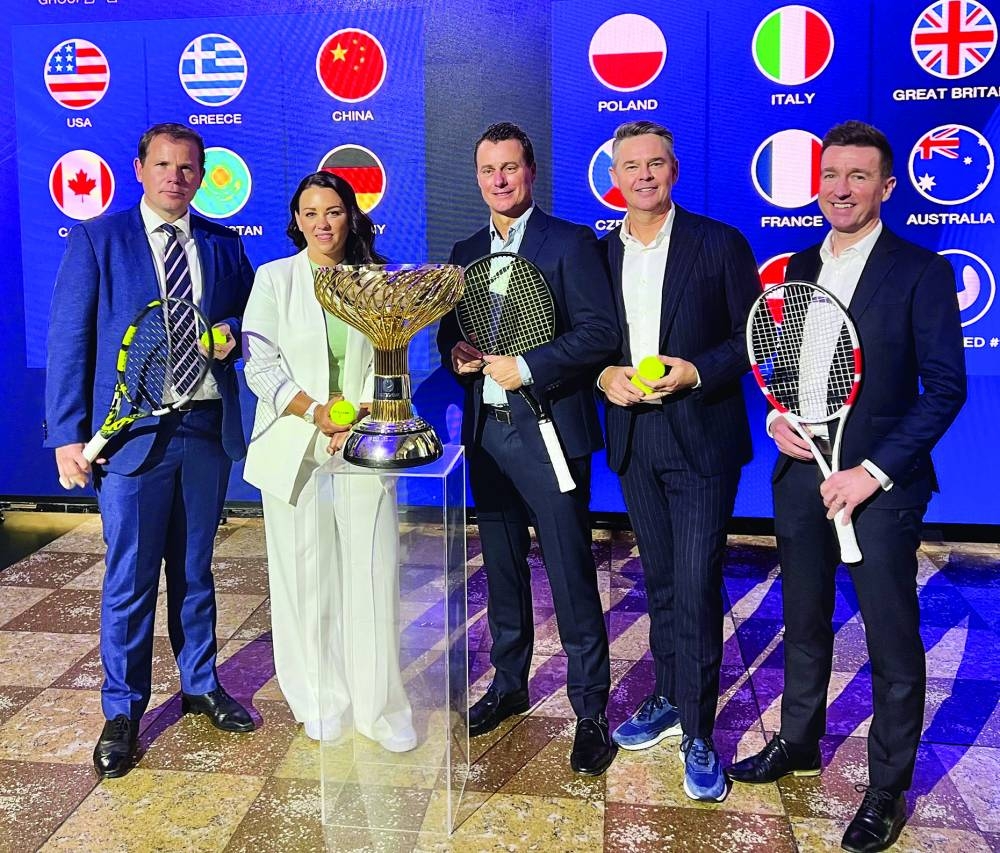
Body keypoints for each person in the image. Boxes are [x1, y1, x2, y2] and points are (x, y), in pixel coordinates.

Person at [727, 121, 967, 853]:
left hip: (880, 491)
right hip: (802, 477)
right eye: (831, 173)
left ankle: (886, 786)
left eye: (859, 176)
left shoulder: (921, 271)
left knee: (892, 642)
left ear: (886, 187)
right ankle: (799, 740)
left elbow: (945, 390)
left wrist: (872, 471)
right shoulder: (797, 265)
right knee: (802, 622)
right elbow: (789, 373)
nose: (841, 187)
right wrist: (776, 421)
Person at [45, 122, 256, 779]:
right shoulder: (97, 240)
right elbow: (69, 341)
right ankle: (123, 711)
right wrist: (67, 435)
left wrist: (229, 333)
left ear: (202, 176)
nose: (175, 176)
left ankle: (200, 684)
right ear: (140, 168)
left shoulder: (222, 246)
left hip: (203, 432)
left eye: (188, 167)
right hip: (130, 441)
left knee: (195, 571)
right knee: (130, 580)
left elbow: (250, 319)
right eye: (163, 165)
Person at [436, 122, 619, 775]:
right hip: (485, 438)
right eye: (489, 169)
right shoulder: (462, 251)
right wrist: (454, 352)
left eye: (510, 167)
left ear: (531, 171)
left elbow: (600, 332)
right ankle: (509, 683)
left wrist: (529, 365)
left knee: (570, 572)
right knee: (504, 571)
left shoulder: (569, 242)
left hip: (548, 434)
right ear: (478, 175)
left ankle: (591, 708)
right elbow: (452, 337)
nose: (500, 179)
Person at [597, 120, 759, 802]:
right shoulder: (599, 253)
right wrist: (604, 373)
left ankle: (698, 730)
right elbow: (588, 339)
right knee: (659, 581)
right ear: (616, 175)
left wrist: (697, 371)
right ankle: (667, 696)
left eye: (655, 163)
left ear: (674, 169)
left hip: (701, 437)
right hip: (634, 438)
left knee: (695, 585)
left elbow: (752, 336)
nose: (643, 175)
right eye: (631, 165)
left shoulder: (719, 243)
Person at [242, 171, 415, 752]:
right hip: (294, 446)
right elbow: (260, 367)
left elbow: (391, 365)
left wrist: (360, 418)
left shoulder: (378, 282)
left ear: (351, 217)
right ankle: (318, 701)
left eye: (334, 210)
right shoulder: (274, 279)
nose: (322, 222)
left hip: (365, 445)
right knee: (303, 582)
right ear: (296, 220)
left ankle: (380, 710)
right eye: (311, 212)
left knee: (372, 577)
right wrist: (316, 413)